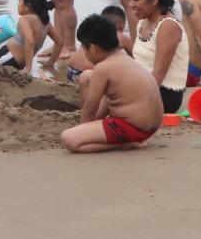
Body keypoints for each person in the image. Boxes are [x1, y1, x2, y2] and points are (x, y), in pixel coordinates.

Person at [59, 14, 163, 152]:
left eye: (84, 47)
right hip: (152, 125)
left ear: (93, 48)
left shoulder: (103, 68)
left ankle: (127, 144)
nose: (83, 51)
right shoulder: (124, 59)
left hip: (133, 128)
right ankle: (117, 136)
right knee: (86, 76)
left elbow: (89, 109)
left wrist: (83, 131)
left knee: (69, 139)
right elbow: (110, 98)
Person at [127, 0, 189, 114]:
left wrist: (135, 98)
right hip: (143, 86)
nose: (131, 5)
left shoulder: (168, 26)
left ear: (154, 0)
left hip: (163, 95)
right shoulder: (142, 23)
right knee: (90, 77)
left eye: (136, 0)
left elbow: (159, 74)